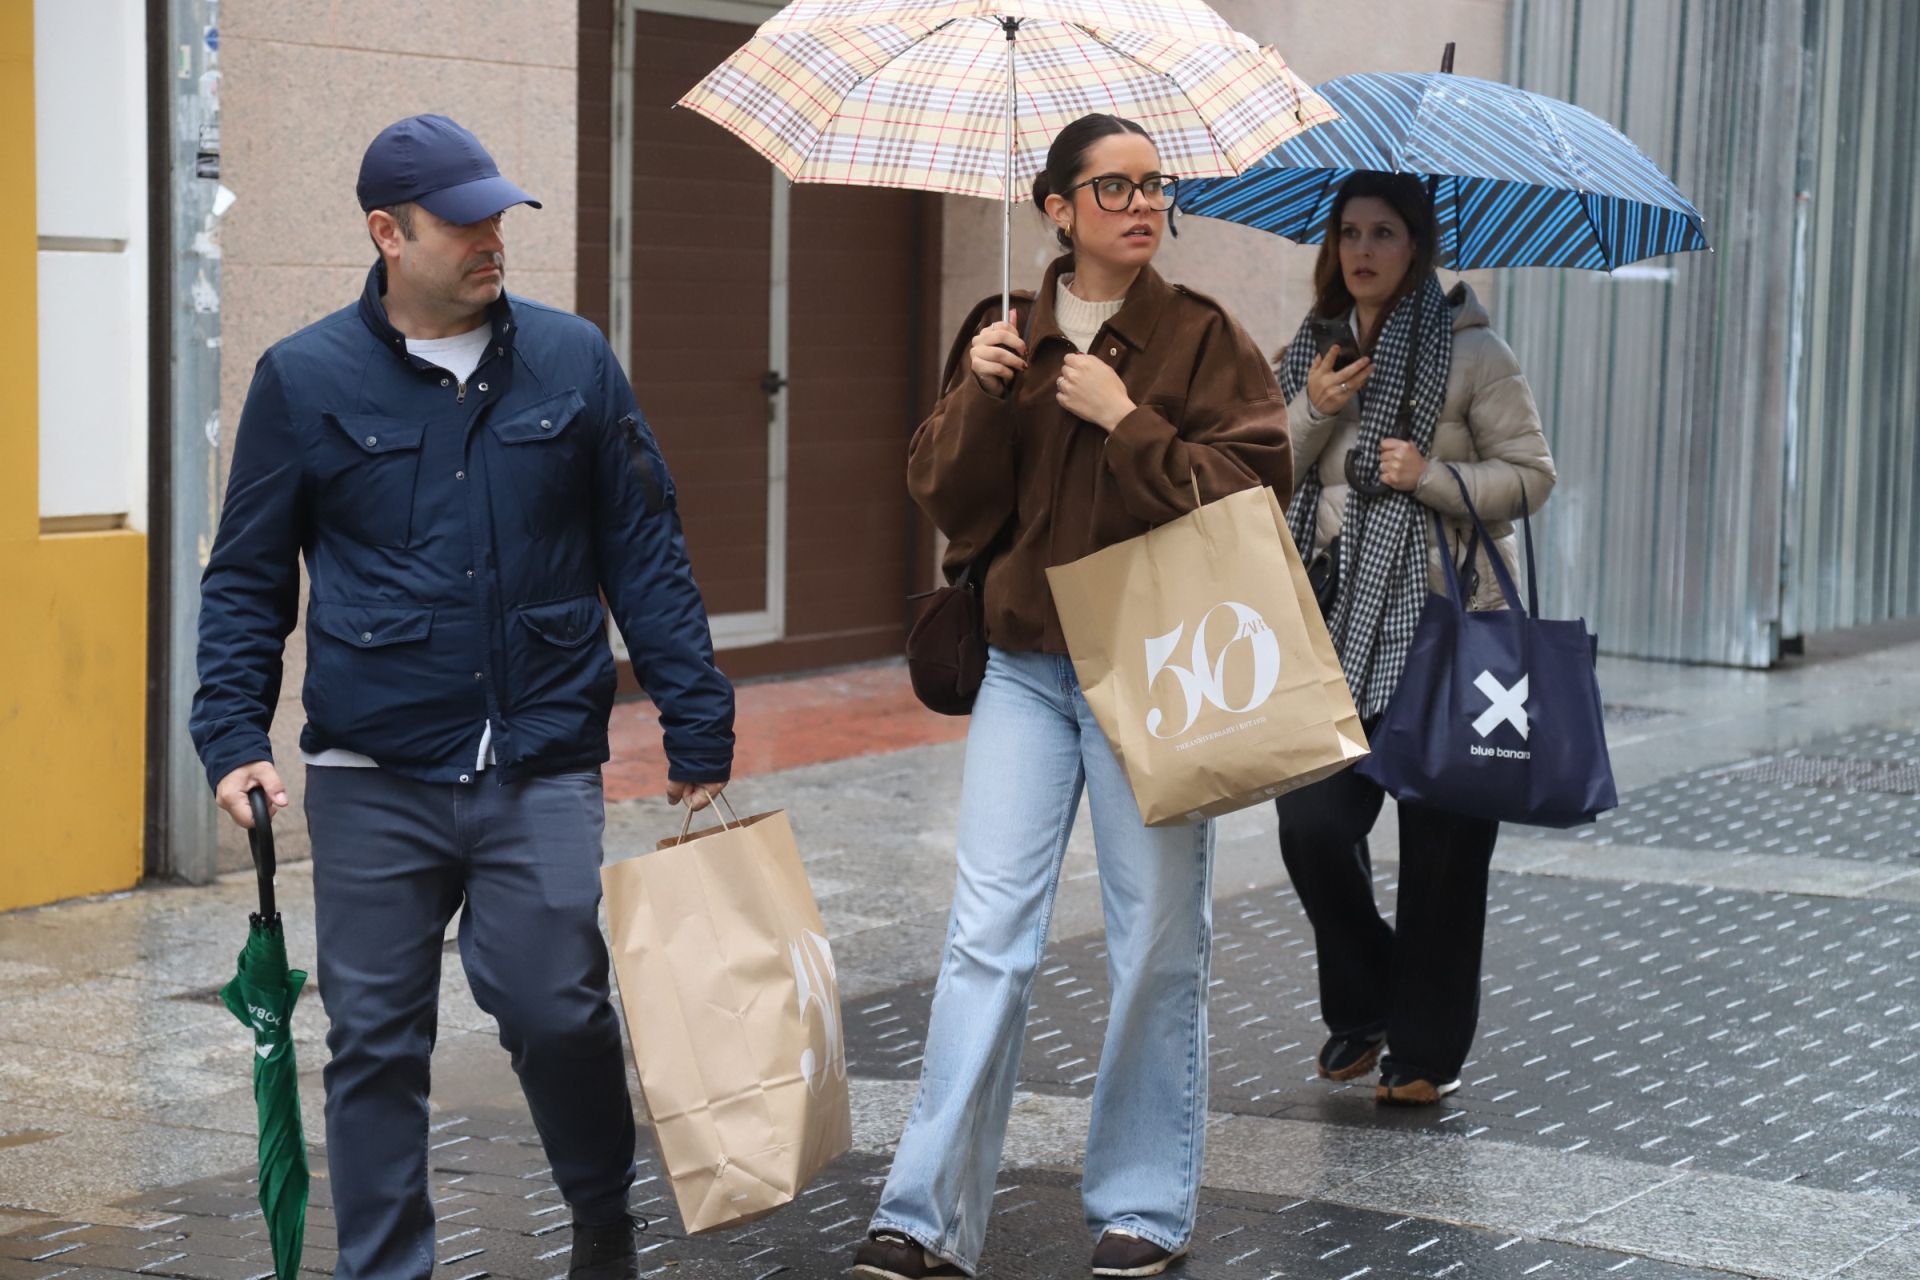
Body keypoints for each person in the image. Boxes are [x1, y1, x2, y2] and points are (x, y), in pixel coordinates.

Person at [189, 114, 735, 1280]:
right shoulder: (305, 377)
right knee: (376, 1043)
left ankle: (600, 1213)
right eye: (465, 219)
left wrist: (697, 712)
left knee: (557, 1005)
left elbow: (643, 544)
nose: (494, 237)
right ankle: (387, 1266)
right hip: (370, 770)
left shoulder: (573, 360)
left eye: (500, 214)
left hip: (536, 757)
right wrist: (231, 731)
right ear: (388, 233)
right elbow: (246, 574)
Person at [851, 114, 1292, 1280]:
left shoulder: (1203, 337)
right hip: (1026, 670)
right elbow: (948, 500)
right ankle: (925, 1217)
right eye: (1115, 187)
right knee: (985, 938)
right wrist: (985, 395)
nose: (1142, 205)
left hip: (1157, 671)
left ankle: (1142, 1204)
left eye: (1155, 186)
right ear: (1056, 207)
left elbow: (1254, 495)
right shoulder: (999, 329)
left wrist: (1127, 420)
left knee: (1156, 939)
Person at [1271, 171, 1556, 1106]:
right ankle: (1364, 1005)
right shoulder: (1309, 351)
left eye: (1385, 233)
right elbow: (1260, 478)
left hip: (1449, 627)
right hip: (1330, 627)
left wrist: (1432, 474)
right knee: (1313, 826)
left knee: (1443, 852)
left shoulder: (1477, 352)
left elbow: (1532, 476)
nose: (1362, 251)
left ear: (1419, 246)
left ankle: (1423, 1051)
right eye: (1349, 233)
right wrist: (1312, 407)